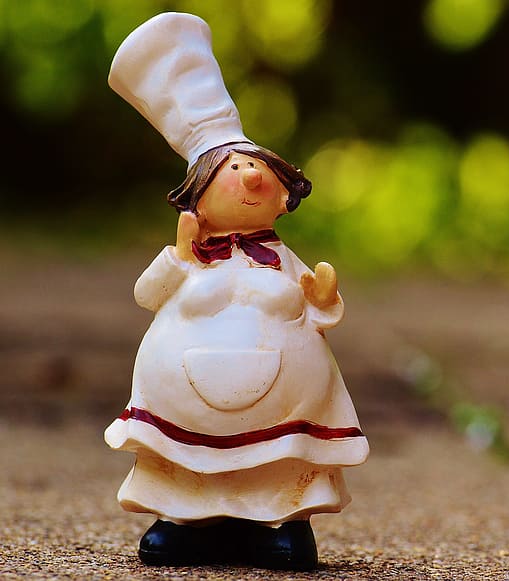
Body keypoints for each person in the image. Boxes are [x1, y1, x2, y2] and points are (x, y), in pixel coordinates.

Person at [103, 13, 368, 571]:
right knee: (185, 457)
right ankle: (183, 518)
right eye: (237, 167)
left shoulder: (282, 259)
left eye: (258, 167)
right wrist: (179, 255)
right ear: (196, 196)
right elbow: (149, 294)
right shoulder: (186, 259)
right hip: (184, 404)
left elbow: (318, 315)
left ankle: (278, 521)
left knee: (277, 459)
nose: (251, 178)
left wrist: (320, 300)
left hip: (284, 404)